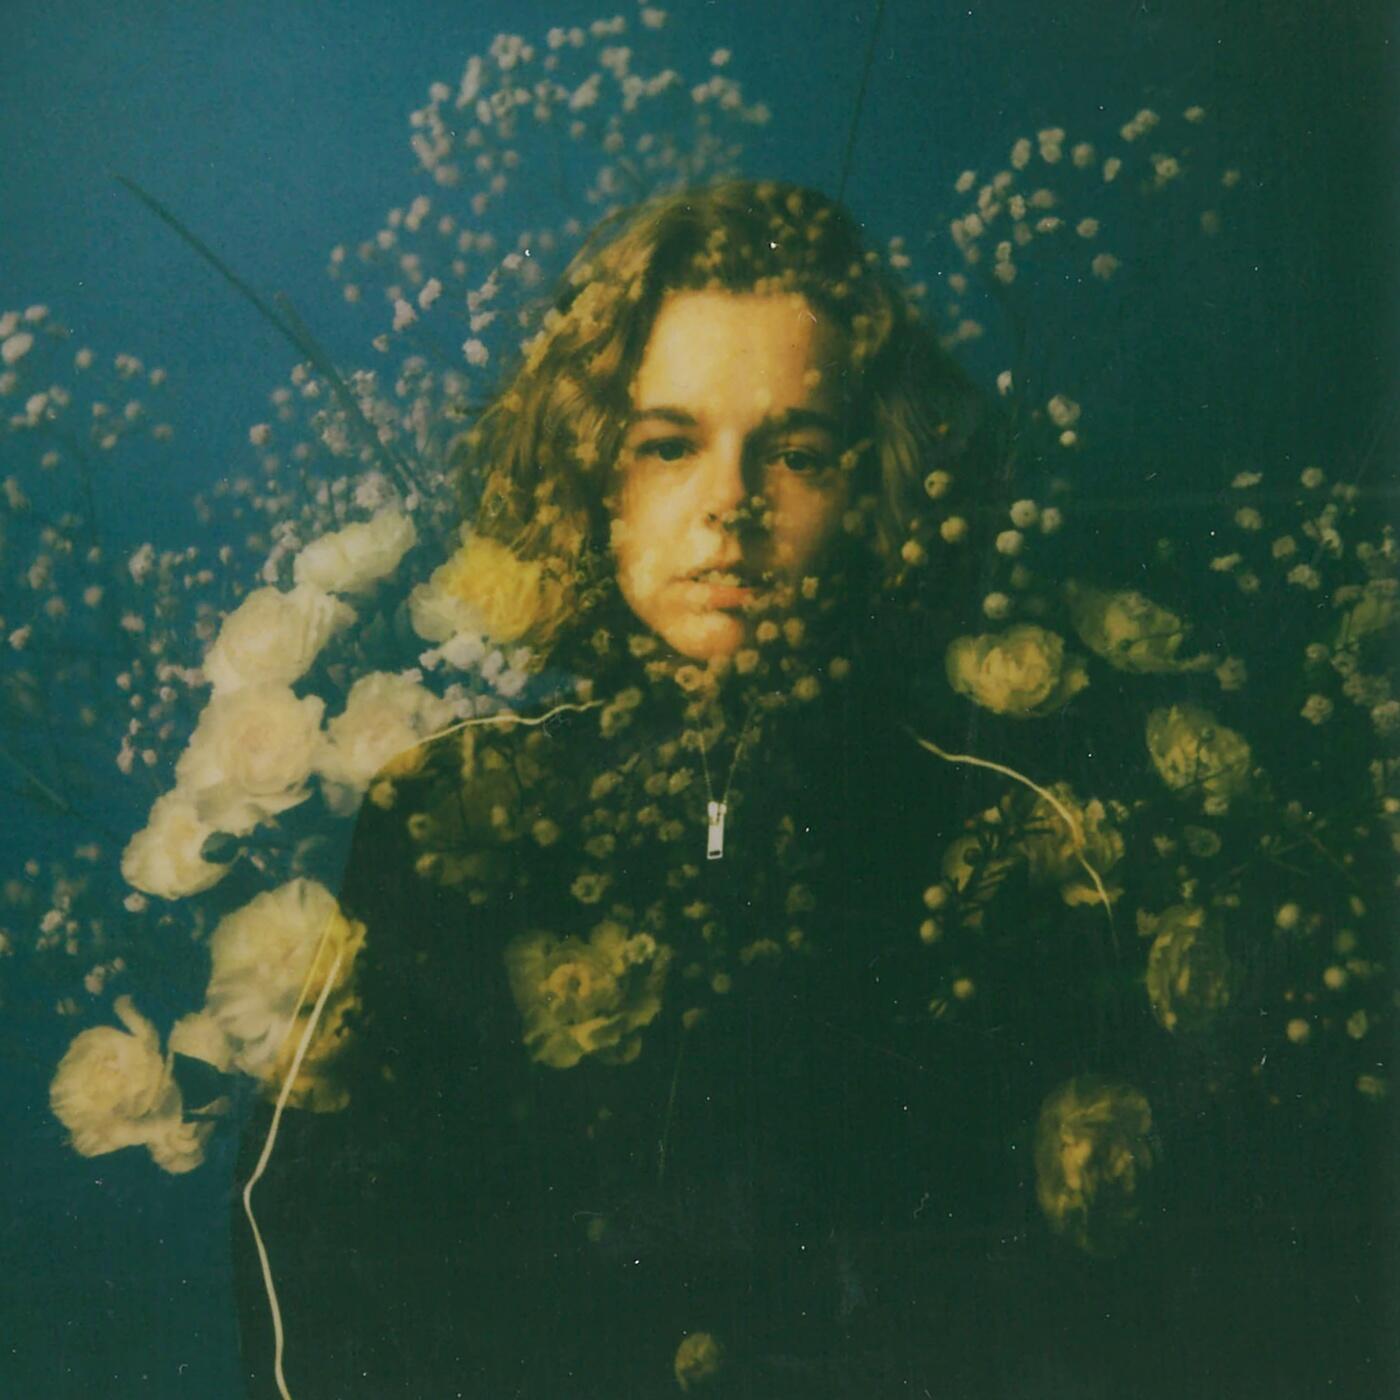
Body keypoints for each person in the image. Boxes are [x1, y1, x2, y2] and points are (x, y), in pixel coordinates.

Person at [231, 181, 1389, 1399]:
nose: (728, 503)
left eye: (794, 451)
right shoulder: (452, 806)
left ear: (875, 481)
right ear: (592, 470)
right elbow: (313, 1239)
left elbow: (1094, 1295)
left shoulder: (1005, 823)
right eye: (667, 444)